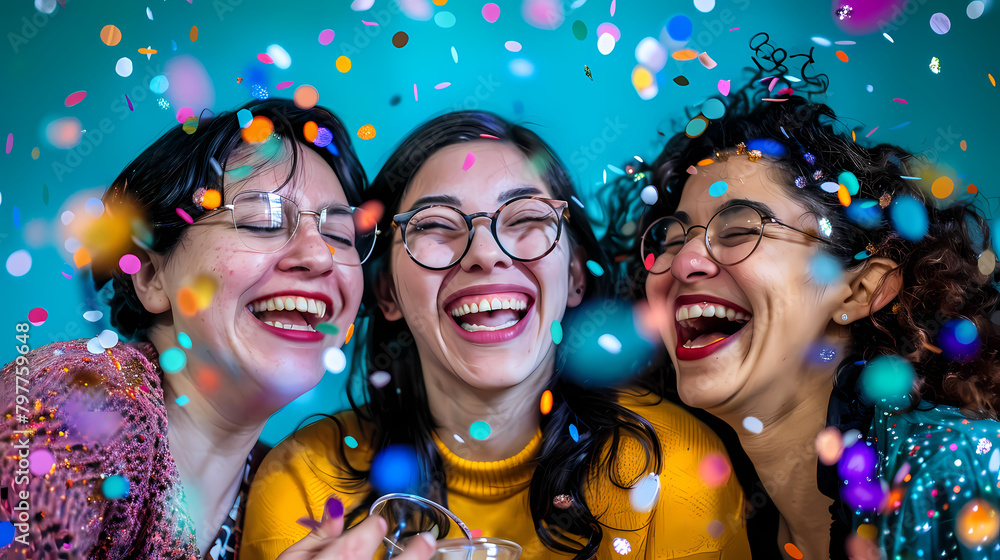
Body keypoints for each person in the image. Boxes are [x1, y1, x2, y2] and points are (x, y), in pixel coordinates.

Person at [243, 111, 751, 560]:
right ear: (387, 292)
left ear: (575, 274)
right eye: (436, 226)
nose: (485, 254)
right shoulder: (305, 484)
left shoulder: (676, 466)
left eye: (527, 217)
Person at [608, 85, 1000, 559]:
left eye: (739, 229)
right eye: (670, 237)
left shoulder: (955, 469)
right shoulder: (717, 517)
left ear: (860, 291)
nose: (685, 260)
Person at [0, 98, 374, 559]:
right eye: (263, 220)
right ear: (152, 277)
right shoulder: (75, 398)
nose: (319, 257)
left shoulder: (280, 489)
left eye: (339, 235)